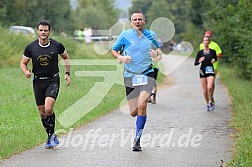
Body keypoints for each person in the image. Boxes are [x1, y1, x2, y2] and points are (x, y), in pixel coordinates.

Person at [111, 11, 161, 151]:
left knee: (142, 105)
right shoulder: (125, 35)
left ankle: (137, 139)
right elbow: (114, 50)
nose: (137, 21)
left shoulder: (151, 35)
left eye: (140, 19)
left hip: (147, 74)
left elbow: (159, 52)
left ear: (144, 21)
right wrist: (120, 58)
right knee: (133, 111)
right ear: (131, 22)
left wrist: (156, 54)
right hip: (130, 75)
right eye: (135, 19)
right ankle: (138, 123)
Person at [20, 20, 71, 149]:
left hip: (52, 80)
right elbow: (23, 63)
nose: (43, 32)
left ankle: (50, 135)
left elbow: (66, 57)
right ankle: (50, 135)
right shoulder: (31, 47)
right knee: (42, 113)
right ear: (37, 31)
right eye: (41, 30)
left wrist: (67, 73)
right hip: (38, 81)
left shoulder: (57, 45)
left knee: (48, 108)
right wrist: (26, 72)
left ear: (49, 31)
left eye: (45, 30)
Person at [199, 31, 223, 104]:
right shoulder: (201, 45)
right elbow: (200, 54)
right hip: (204, 67)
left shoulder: (215, 45)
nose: (208, 37)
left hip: (213, 67)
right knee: (205, 85)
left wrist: (213, 57)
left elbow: (220, 54)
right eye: (206, 36)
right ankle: (208, 98)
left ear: (211, 37)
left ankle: (211, 97)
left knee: (211, 84)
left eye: (209, 36)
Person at [195, 36, 217, 111]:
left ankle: (211, 101)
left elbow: (215, 58)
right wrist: (200, 61)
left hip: (210, 70)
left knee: (210, 87)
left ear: (209, 42)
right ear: (203, 42)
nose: (206, 42)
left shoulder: (213, 51)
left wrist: (214, 60)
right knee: (204, 90)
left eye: (207, 40)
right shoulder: (200, 53)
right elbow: (195, 63)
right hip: (203, 71)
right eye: (204, 40)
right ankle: (207, 103)